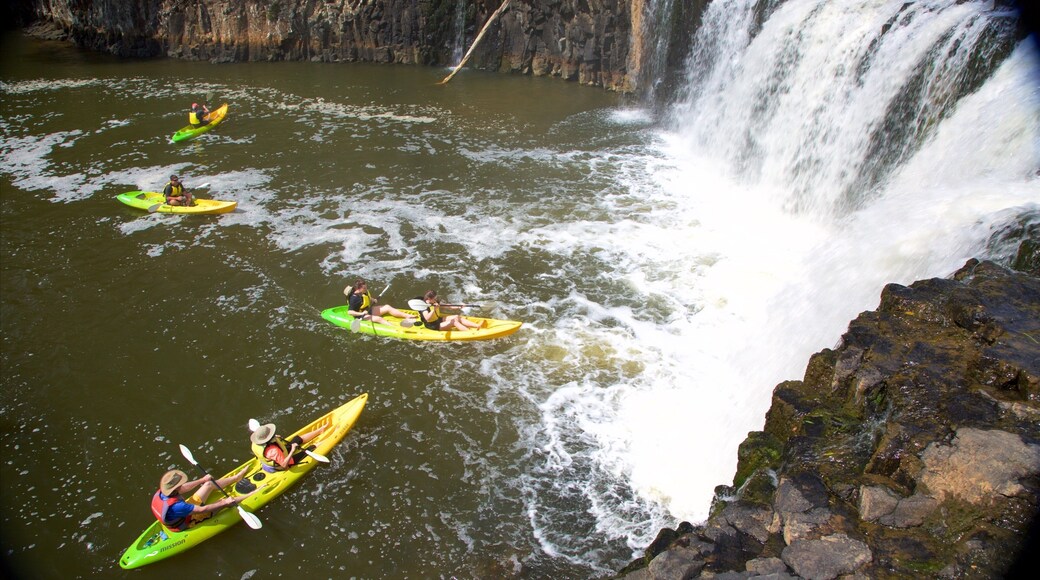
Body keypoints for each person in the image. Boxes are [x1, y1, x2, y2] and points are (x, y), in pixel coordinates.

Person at [151, 467, 253, 532]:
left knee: (208, 484)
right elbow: (202, 510)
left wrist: (202, 480)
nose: (182, 484)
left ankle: (236, 478)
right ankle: (251, 495)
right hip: (188, 521)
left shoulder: (161, 492)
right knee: (223, 502)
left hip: (181, 512)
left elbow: (184, 488)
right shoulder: (177, 506)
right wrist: (225, 502)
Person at [250, 423, 328, 471]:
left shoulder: (254, 443)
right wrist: (292, 450)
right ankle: (323, 441)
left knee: (297, 439)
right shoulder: (273, 451)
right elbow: (284, 465)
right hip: (283, 464)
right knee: (310, 448)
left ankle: (320, 430)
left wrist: (275, 437)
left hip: (278, 454)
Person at [346, 280, 415, 327]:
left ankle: (406, 316)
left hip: (368, 310)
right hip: (361, 316)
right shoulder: (354, 299)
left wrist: (373, 300)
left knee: (387, 307)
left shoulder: (363, 291)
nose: (366, 289)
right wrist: (361, 314)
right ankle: (393, 328)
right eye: (364, 288)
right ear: (358, 288)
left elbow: (366, 297)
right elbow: (350, 312)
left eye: (366, 287)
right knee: (379, 319)